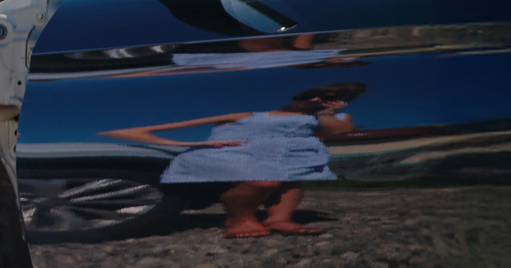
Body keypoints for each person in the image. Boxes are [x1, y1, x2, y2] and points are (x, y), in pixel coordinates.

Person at [100, 84, 365, 239]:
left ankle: (279, 218)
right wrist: (188, 143)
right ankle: (239, 219)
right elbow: (128, 132)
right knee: (265, 180)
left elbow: (343, 134)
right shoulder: (246, 115)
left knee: (292, 178)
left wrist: (328, 112)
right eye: (311, 96)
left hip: (279, 161)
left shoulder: (323, 118)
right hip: (225, 157)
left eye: (329, 99)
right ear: (299, 96)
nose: (317, 101)